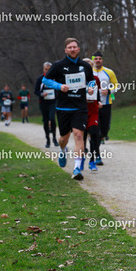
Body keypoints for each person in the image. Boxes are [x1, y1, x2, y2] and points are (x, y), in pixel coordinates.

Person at [42, 38, 94, 180]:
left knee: (79, 135)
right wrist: (59, 86)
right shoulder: (58, 65)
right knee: (64, 137)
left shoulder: (85, 66)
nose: (72, 49)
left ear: (78, 49)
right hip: (63, 107)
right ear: (65, 50)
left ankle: (77, 168)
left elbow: (91, 80)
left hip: (80, 107)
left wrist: (90, 88)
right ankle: (62, 149)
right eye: (69, 47)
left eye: (74, 47)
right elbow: (45, 80)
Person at [91, 51, 118, 149]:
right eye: (96, 59)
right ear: (93, 60)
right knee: (95, 126)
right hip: (93, 103)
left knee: (105, 127)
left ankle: (102, 135)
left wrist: (109, 91)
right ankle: (95, 145)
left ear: (102, 60)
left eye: (100, 59)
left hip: (106, 103)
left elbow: (117, 85)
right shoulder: (89, 71)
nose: (98, 60)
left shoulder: (109, 72)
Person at [82, 58, 102, 172]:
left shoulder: (95, 79)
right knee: (82, 137)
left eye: (90, 66)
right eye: (86, 66)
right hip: (82, 111)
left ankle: (92, 161)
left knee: (94, 134)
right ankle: (81, 161)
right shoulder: (78, 80)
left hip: (93, 111)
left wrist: (99, 101)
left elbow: (97, 92)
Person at [34, 62, 59, 147]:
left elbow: (58, 89)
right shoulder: (40, 79)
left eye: (49, 69)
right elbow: (36, 91)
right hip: (43, 103)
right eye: (46, 69)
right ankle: (48, 140)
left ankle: (54, 138)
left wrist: (56, 95)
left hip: (53, 102)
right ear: (43, 69)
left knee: (52, 118)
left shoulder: (55, 78)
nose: (47, 71)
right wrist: (41, 94)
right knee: (45, 121)